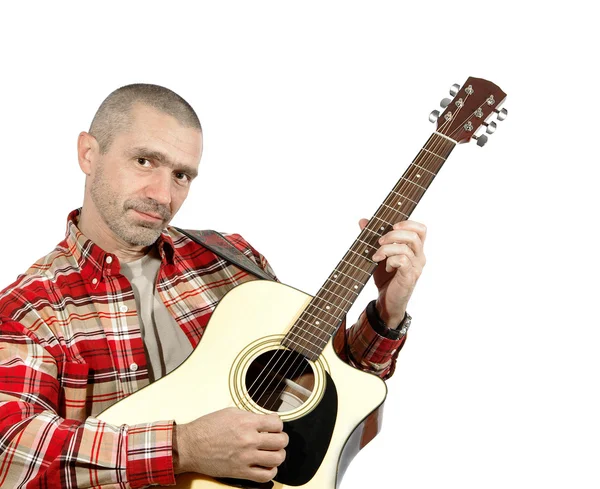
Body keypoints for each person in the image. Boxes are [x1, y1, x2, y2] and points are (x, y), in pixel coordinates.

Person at [0, 83, 427, 488]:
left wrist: (386, 311)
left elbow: (321, 385)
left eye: (182, 175)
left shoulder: (232, 261)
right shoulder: (30, 309)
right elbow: (13, 452)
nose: (163, 195)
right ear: (88, 153)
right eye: (144, 161)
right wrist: (183, 447)